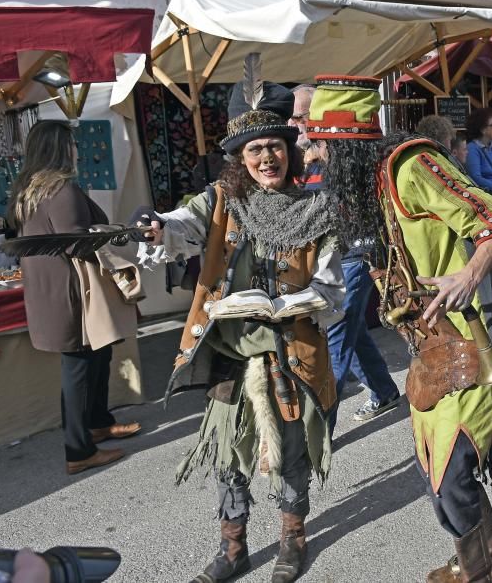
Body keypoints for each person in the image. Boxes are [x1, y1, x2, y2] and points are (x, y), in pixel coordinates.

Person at [138, 76, 346, 583]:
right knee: (229, 458)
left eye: (274, 147)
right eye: (254, 150)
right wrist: (156, 226)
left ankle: (291, 543)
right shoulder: (219, 203)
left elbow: (332, 292)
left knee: (290, 455)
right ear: (241, 157)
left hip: (290, 355)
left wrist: (281, 304)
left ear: (288, 152)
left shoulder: (314, 209)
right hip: (232, 358)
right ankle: (233, 549)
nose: (266, 158)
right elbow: (180, 228)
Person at [376, 127, 492, 581]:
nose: (302, 140)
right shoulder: (362, 186)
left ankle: (475, 573)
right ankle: (487, 555)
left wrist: (469, 275)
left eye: (306, 127)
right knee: (435, 468)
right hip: (427, 349)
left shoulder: (410, 166)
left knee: (451, 472)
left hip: (467, 344)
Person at [7, 120, 141, 475]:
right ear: (59, 148)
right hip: (73, 292)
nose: (78, 150)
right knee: (80, 365)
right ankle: (79, 450)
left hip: (53, 289)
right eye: (72, 143)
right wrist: (119, 235)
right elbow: (77, 242)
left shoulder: (28, 190)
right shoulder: (60, 190)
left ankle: (97, 423)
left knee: (97, 355)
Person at [302, 75, 401, 430]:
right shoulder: (307, 161)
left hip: (357, 255)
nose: (301, 126)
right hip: (329, 259)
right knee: (351, 331)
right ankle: (385, 390)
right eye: (298, 119)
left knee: (334, 341)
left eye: (305, 118)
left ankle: (318, 433)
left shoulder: (349, 158)